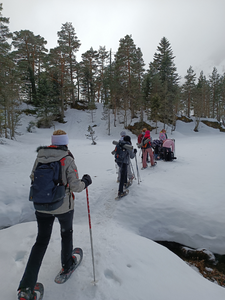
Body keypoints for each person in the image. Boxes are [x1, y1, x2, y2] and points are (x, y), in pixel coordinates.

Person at [17, 130, 92, 300]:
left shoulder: (40, 156)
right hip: (63, 206)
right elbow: (75, 187)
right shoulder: (67, 158)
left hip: (41, 207)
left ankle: (26, 288)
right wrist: (86, 181)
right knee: (66, 233)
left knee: (41, 241)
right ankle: (67, 264)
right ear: (65, 142)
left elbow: (33, 177)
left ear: (52, 142)